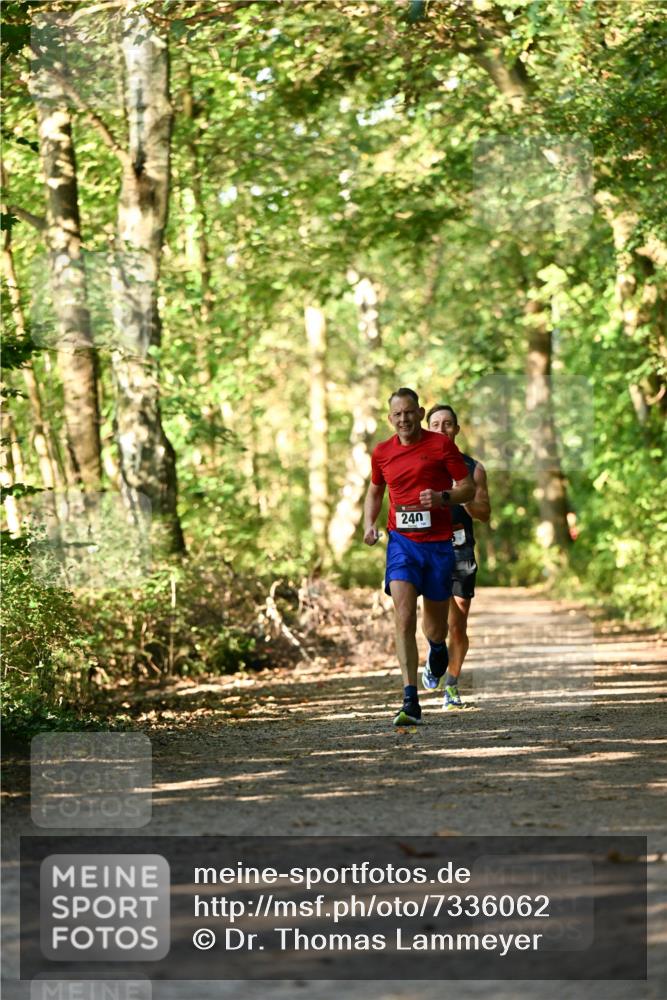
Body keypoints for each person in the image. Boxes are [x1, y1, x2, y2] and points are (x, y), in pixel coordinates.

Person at [363, 388, 475, 726]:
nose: (403, 419)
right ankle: (410, 699)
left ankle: (437, 649)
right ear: (389, 418)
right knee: (402, 615)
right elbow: (375, 490)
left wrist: (443, 498)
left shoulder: (441, 446)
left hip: (439, 544)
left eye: (409, 412)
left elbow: (467, 487)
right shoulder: (382, 452)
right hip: (402, 543)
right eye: (397, 414)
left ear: (420, 412)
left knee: (435, 627)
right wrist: (370, 524)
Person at [422, 404, 491, 709]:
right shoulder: (419, 464)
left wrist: (460, 496)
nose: (442, 429)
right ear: (428, 429)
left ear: (456, 430)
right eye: (435, 424)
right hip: (428, 547)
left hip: (460, 547)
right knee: (433, 620)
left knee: (457, 624)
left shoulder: (473, 468)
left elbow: (485, 513)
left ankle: (451, 685)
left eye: (448, 424)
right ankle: (436, 652)